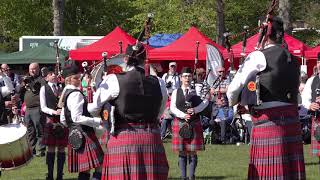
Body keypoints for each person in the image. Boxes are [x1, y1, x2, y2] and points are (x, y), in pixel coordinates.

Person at [227, 17, 305, 179]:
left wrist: (235, 103)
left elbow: (233, 90)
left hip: (269, 121)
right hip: (292, 121)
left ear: (264, 35)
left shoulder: (257, 56)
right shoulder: (294, 60)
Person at [88, 43, 169, 180]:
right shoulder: (159, 82)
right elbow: (160, 111)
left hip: (123, 137)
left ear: (125, 59)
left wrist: (104, 115)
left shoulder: (113, 80)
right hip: (151, 137)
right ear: (145, 59)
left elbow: (93, 108)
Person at [60, 63, 104, 180]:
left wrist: (72, 128)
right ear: (69, 80)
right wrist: (96, 121)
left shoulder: (66, 94)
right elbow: (77, 118)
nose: (79, 80)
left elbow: (63, 119)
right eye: (76, 78)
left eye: (79, 77)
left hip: (74, 134)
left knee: (85, 169)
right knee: (100, 165)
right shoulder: (76, 94)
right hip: (84, 133)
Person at [170, 67, 208, 180]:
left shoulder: (197, 90)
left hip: (194, 122)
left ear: (192, 77)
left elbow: (205, 102)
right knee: (182, 151)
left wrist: (195, 109)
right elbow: (172, 107)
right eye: (185, 76)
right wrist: (183, 115)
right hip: (180, 122)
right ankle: (183, 176)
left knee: (192, 151)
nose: (187, 78)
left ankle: (191, 176)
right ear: (181, 78)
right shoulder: (176, 91)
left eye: (189, 76)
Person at [40, 68, 68, 180]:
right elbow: (43, 107)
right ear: (46, 78)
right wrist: (54, 112)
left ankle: (60, 175)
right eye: (51, 74)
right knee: (51, 148)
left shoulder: (61, 87)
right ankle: (50, 175)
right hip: (51, 120)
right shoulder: (44, 88)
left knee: (61, 148)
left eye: (54, 74)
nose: (54, 75)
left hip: (61, 120)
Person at [20, 63, 46, 156]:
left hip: (37, 108)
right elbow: (19, 93)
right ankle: (32, 150)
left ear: (38, 69)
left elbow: (39, 89)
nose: (32, 71)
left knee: (39, 129)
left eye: (34, 69)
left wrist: (32, 83)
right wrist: (23, 85)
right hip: (28, 109)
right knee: (30, 130)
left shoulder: (41, 80)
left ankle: (41, 150)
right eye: (30, 69)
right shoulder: (27, 80)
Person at [301, 52, 320, 172]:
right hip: (317, 117)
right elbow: (304, 99)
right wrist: (310, 105)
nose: (319, 65)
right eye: (318, 62)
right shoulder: (312, 80)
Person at [210, 66, 233, 144]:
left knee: (223, 121)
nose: (221, 73)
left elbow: (227, 89)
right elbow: (211, 91)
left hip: (225, 106)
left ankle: (223, 139)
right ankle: (216, 137)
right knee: (212, 122)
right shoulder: (215, 80)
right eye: (219, 71)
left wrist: (217, 91)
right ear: (217, 72)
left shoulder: (227, 79)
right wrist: (218, 91)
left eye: (223, 71)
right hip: (216, 106)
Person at [160, 61, 180, 140]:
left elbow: (180, 87)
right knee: (166, 117)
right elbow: (162, 86)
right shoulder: (165, 75)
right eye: (171, 66)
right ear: (169, 67)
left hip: (175, 98)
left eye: (174, 66)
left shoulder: (178, 76)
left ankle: (172, 134)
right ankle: (163, 134)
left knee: (174, 117)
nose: (173, 68)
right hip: (167, 98)